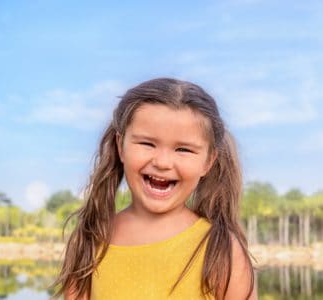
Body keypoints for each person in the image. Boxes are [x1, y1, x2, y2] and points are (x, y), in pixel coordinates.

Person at [53, 78, 256, 299]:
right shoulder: (91, 239)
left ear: (208, 162)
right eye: (147, 144)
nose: (162, 162)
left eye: (183, 149)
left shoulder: (222, 251)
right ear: (121, 146)